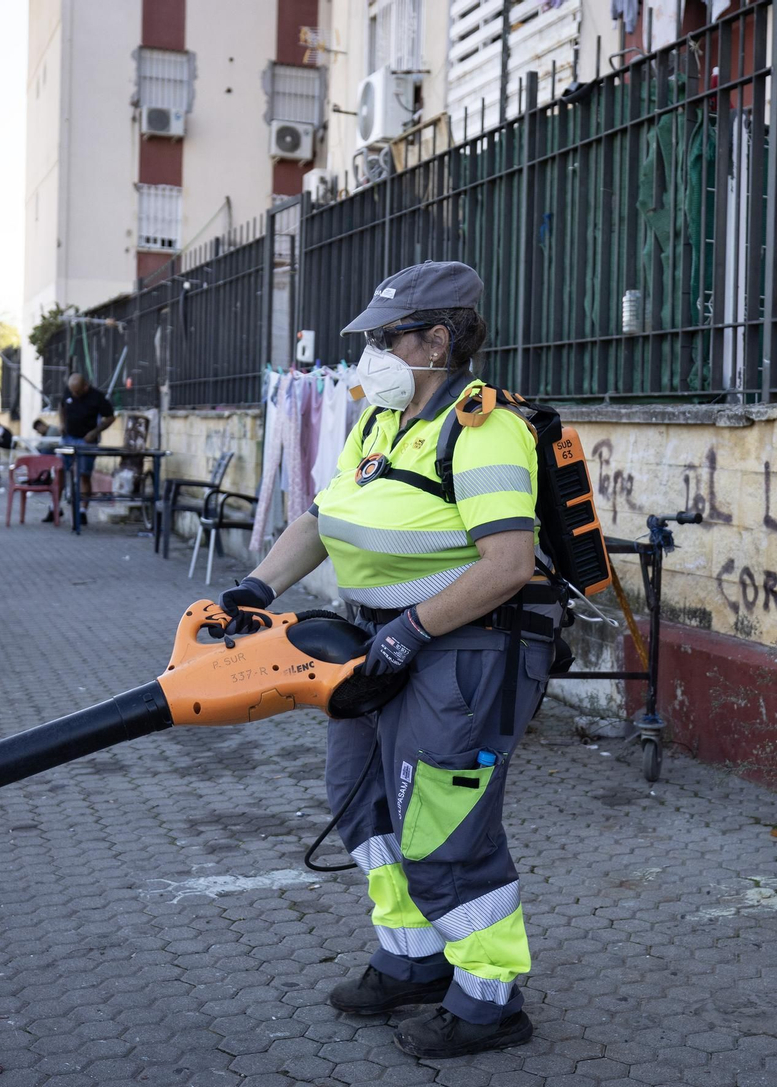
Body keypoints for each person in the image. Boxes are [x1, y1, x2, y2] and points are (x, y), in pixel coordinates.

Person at [216, 261, 553, 1059]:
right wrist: (257, 585)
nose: (369, 354)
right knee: (362, 801)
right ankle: (413, 957)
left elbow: (509, 563)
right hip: (376, 641)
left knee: (443, 824)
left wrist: (411, 631)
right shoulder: (379, 419)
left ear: (436, 340)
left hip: (463, 648)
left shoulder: (483, 427)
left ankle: (489, 997)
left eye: (384, 338)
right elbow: (321, 516)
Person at [58, 373, 113, 519]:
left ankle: (83, 511)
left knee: (84, 474)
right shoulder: (68, 391)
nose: (74, 395)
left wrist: (95, 432)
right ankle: (55, 507)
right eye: (72, 392)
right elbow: (61, 406)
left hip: (86, 441)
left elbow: (110, 417)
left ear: (85, 387)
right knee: (59, 470)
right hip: (68, 438)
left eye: (77, 392)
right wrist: (62, 423)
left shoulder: (97, 397)